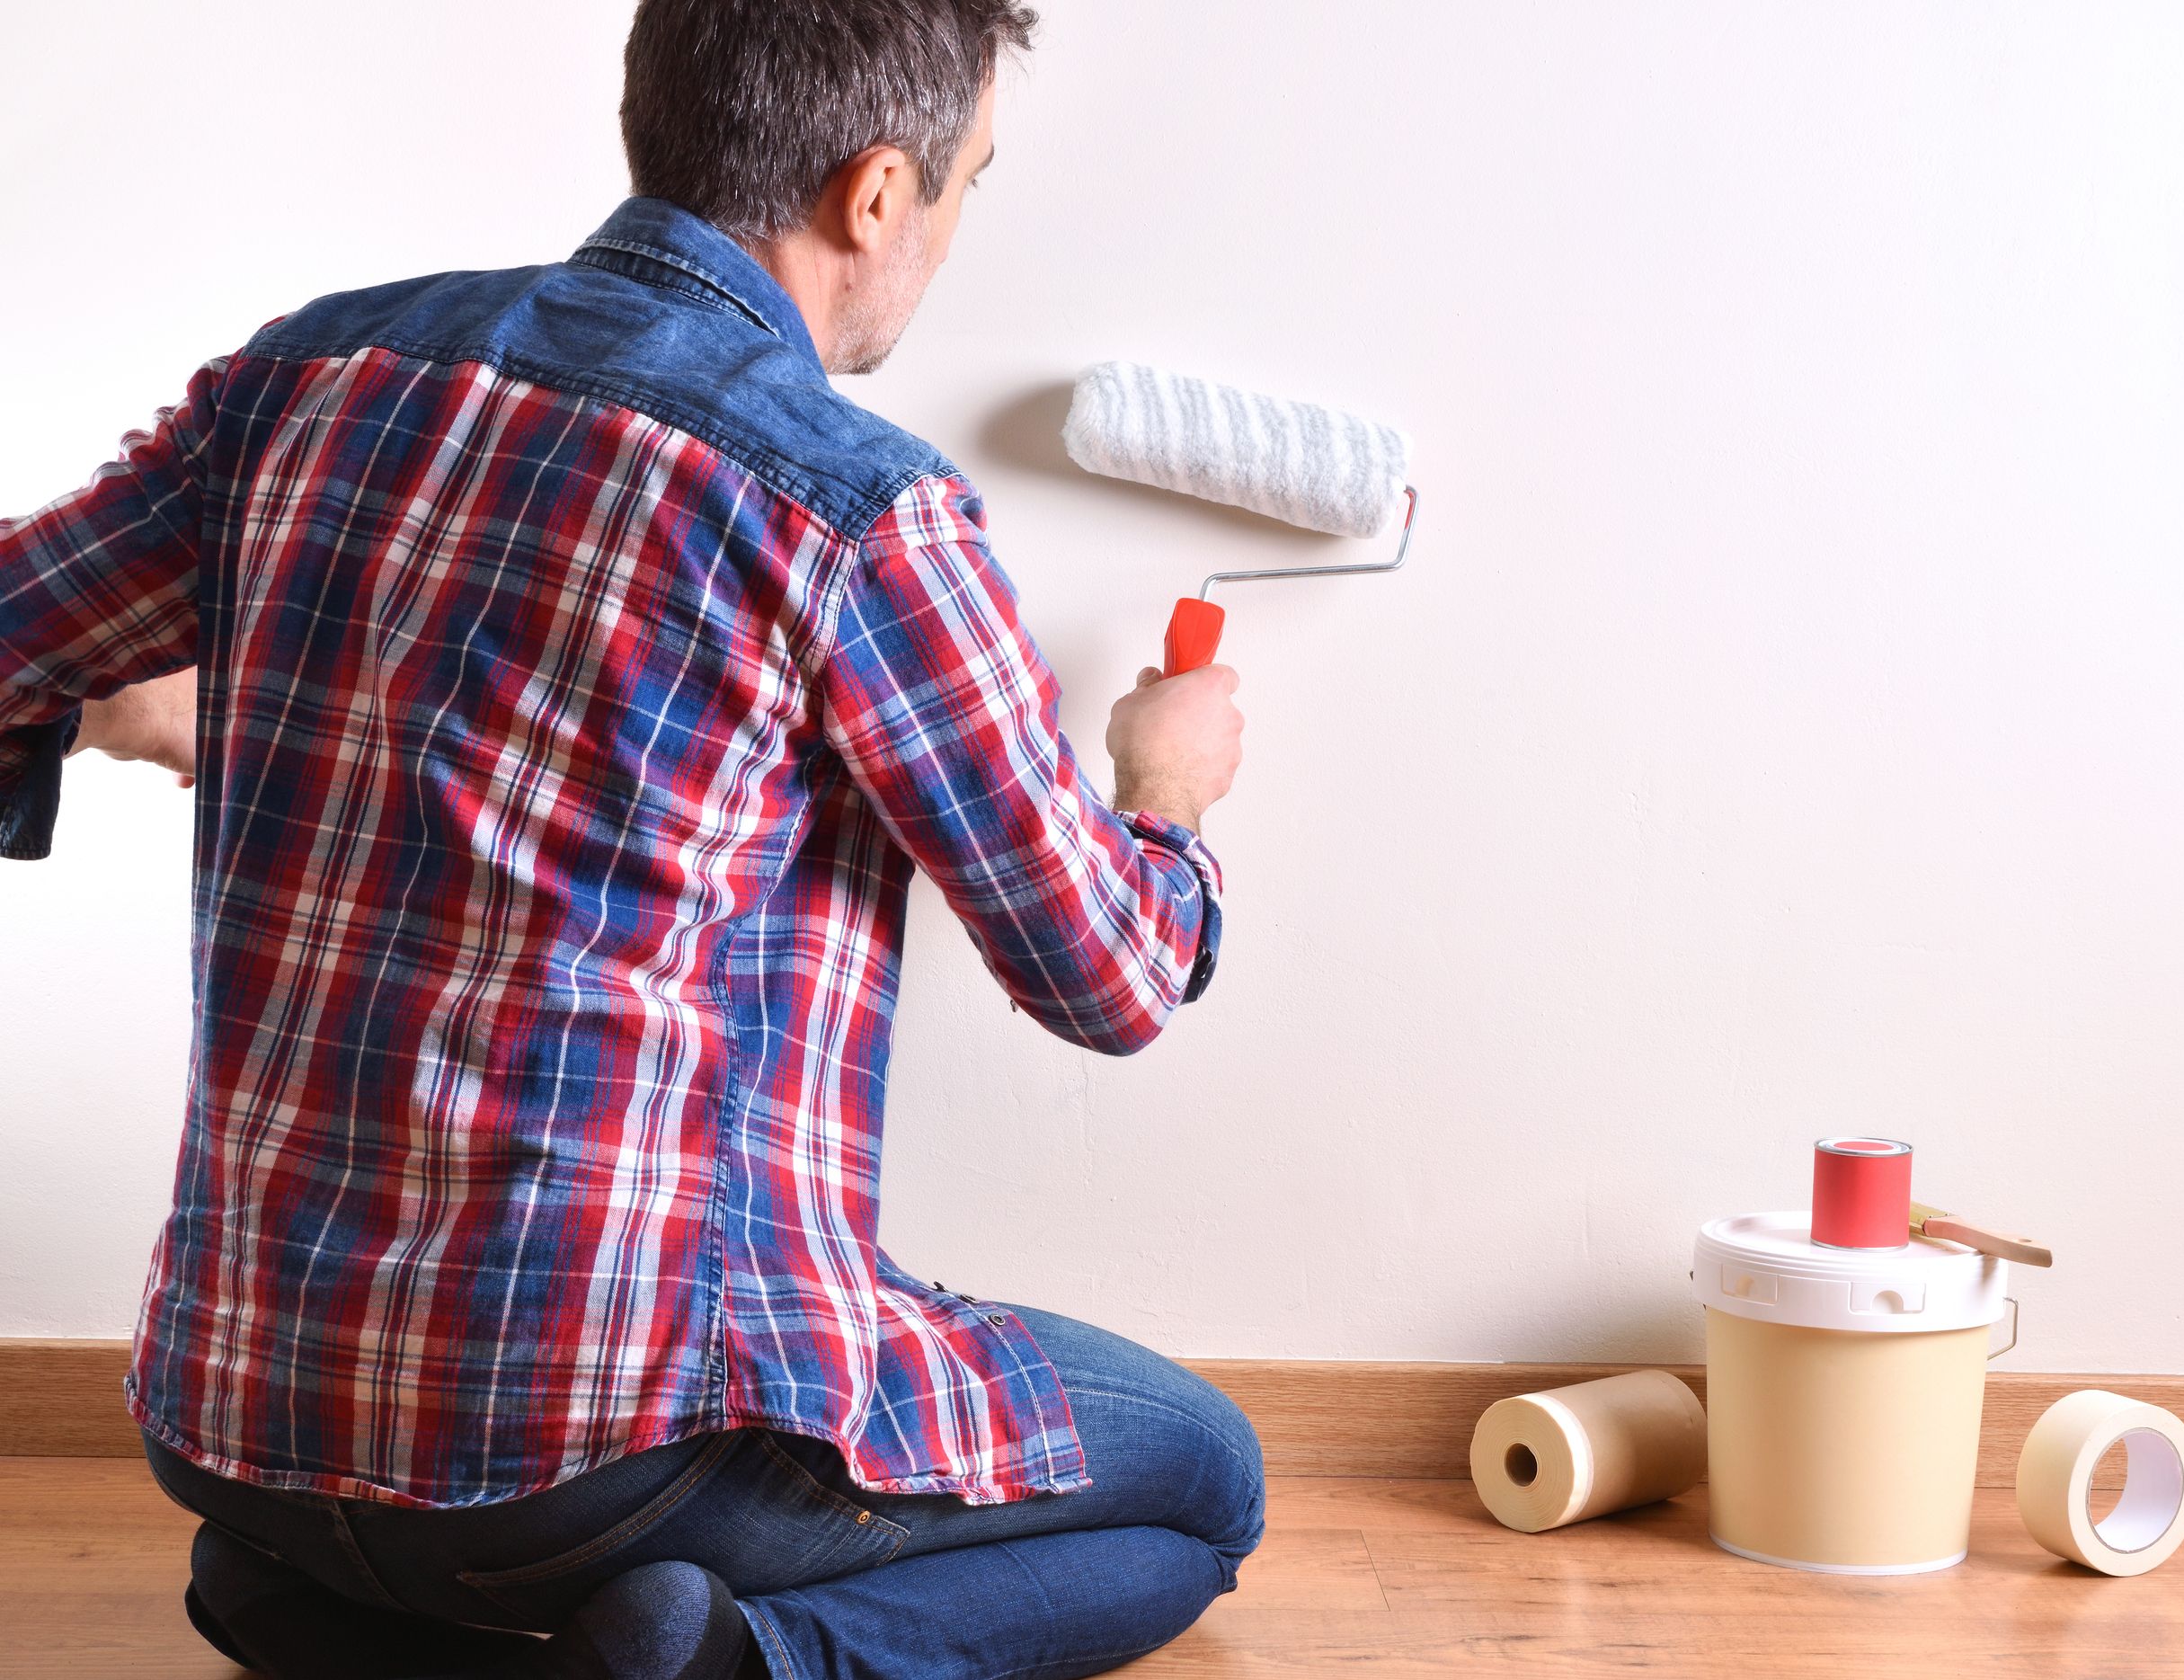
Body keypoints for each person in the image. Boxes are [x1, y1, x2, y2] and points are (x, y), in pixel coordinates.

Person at [0, 2, 1262, 1676]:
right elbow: (1109, 969)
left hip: (239, 1418)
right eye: (965, 186)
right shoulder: (853, 506)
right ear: (875, 193)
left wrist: (113, 702)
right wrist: (1164, 789)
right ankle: (734, 1665)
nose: (952, 233)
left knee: (314, 1542)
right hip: (604, 1453)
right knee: (1207, 1492)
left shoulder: (302, 378)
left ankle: (330, 1599)